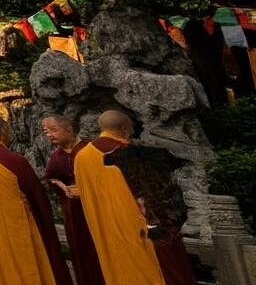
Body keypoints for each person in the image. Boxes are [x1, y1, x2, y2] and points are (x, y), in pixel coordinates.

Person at [74, 111, 190, 285]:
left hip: (107, 233)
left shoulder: (81, 157)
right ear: (125, 128)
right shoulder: (131, 154)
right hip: (143, 233)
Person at [0, 111, 68, 285]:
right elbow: (37, 198)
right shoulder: (14, 160)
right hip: (21, 231)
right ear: (5, 130)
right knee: (31, 270)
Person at [42, 115, 104, 285]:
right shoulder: (57, 156)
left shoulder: (90, 149)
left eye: (53, 130)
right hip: (74, 214)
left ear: (68, 128)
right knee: (81, 254)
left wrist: (85, 190)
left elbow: (106, 179)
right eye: (46, 132)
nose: (49, 135)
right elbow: (51, 178)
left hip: (98, 212)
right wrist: (63, 187)